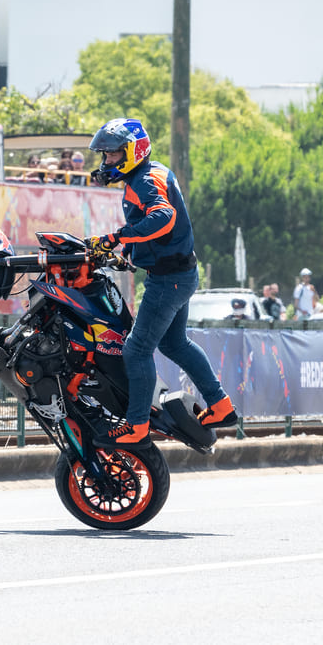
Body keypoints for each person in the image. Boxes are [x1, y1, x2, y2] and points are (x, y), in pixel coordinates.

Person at [84, 117, 237, 450]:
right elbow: (157, 230)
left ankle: (136, 425)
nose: (106, 162)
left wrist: (115, 238)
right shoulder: (151, 172)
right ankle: (221, 406)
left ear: (132, 152)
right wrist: (129, 253)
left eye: (112, 155)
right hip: (180, 274)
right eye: (105, 156)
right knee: (174, 344)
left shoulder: (144, 181)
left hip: (169, 280)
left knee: (136, 350)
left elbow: (163, 218)